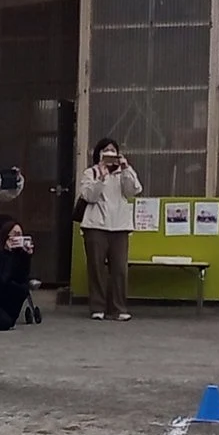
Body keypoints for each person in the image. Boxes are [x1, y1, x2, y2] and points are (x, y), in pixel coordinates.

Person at [77, 137, 145, 322]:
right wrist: (101, 176)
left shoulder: (123, 173)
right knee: (96, 268)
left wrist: (126, 168)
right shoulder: (90, 172)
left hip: (120, 227)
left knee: (119, 269)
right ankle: (97, 307)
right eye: (105, 150)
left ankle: (118, 308)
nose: (109, 154)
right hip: (95, 226)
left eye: (113, 151)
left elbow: (134, 190)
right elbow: (89, 196)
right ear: (99, 154)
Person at [0, 219, 40, 333]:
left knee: (22, 288)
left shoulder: (16, 253)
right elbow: (0, 277)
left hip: (4, 298)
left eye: (20, 235)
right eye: (15, 234)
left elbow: (22, 276)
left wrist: (26, 257)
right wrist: (6, 253)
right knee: (3, 322)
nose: (18, 238)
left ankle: (8, 317)